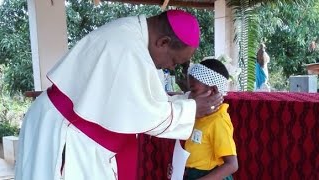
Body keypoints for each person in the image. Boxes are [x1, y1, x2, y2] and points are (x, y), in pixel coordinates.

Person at [15, 10, 224, 180]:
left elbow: (144, 100)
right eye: (174, 61)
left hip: (78, 133)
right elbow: (146, 114)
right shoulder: (128, 50)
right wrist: (192, 108)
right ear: (163, 42)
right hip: (69, 136)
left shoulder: (131, 36)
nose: (170, 67)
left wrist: (185, 102)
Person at [184, 58, 238, 180]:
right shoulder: (197, 115)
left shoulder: (218, 121)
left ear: (213, 90)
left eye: (193, 91)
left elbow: (232, 165)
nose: (189, 96)